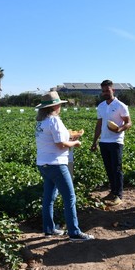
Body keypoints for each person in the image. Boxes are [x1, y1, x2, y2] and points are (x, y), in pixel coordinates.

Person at [35, 91, 94, 241]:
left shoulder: (41, 122)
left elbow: (54, 138)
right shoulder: (54, 120)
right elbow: (60, 144)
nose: (60, 107)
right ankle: (74, 232)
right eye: (59, 104)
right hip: (57, 164)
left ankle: (49, 229)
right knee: (70, 197)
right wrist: (76, 143)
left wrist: (70, 136)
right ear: (55, 106)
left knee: (49, 197)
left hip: (44, 164)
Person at [90, 79, 132, 206]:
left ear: (113, 90)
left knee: (117, 168)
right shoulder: (101, 106)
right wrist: (95, 141)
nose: (105, 93)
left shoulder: (120, 106)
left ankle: (118, 195)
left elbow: (129, 123)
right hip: (104, 141)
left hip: (116, 141)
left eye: (107, 90)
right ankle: (113, 191)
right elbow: (99, 124)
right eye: (103, 91)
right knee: (109, 168)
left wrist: (120, 129)